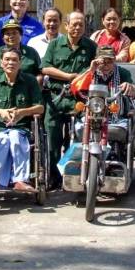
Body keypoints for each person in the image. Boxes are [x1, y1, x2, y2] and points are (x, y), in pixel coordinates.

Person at [0, 47, 45, 198]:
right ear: (1, 63)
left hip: (22, 129)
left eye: (14, 60)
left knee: (14, 137)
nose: (10, 63)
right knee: (4, 140)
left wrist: (22, 112)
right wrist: (0, 112)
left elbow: (40, 108)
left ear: (20, 63)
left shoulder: (30, 81)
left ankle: (19, 181)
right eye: (7, 59)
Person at [41, 11, 98, 183]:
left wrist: (84, 76)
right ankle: (52, 176)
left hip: (80, 99)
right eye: (74, 24)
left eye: (81, 24)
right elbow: (45, 68)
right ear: (66, 26)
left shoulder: (90, 46)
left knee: (79, 137)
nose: (78, 28)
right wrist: (68, 77)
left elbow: (96, 69)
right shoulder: (55, 44)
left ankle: (73, 174)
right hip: (56, 98)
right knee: (52, 138)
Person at [0, 18, 43, 85]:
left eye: (14, 33)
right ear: (3, 38)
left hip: (27, 92)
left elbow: (40, 74)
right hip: (1, 93)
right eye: (7, 33)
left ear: (21, 36)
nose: (11, 36)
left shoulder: (31, 52)